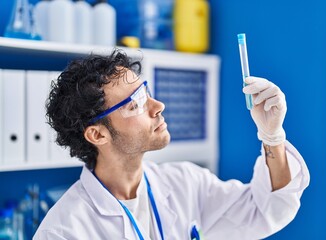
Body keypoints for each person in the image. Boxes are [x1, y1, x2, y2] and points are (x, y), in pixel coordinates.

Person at [33, 49, 309, 240]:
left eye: (146, 92)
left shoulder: (185, 183)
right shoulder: (64, 231)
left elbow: (265, 210)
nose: (158, 106)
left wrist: (272, 136)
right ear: (97, 135)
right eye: (136, 104)